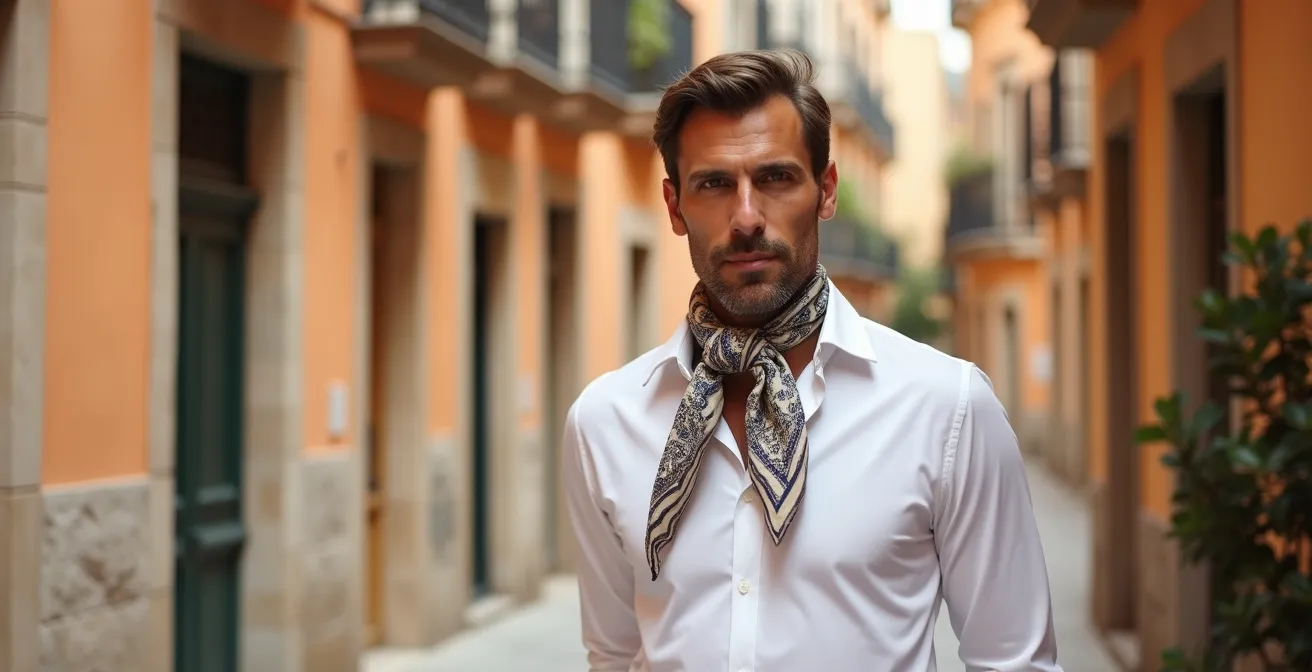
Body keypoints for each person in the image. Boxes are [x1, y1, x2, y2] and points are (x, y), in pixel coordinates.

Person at [560, 49, 1062, 672]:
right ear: (674, 206)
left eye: (775, 178)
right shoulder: (605, 421)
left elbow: (1012, 661)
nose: (746, 217)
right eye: (714, 183)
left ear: (825, 191)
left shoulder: (947, 408)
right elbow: (614, 656)